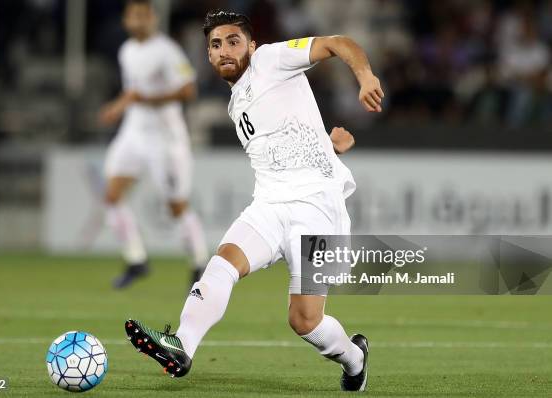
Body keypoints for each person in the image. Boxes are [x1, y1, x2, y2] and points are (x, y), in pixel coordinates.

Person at [125, 10, 383, 392]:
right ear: (208, 55)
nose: (224, 50)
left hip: (317, 209)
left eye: (233, 41)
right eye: (215, 45)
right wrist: (328, 147)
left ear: (252, 45)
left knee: (304, 321)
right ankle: (181, 346)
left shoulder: (271, 59)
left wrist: (365, 77)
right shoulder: (236, 101)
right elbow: (285, 145)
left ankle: (354, 357)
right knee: (222, 264)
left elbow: (337, 43)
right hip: (269, 204)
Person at [99, 0, 208, 289]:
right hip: (134, 132)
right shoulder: (127, 51)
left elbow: (188, 90)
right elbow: (133, 91)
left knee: (177, 206)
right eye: (134, 15)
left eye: (144, 15)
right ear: (125, 20)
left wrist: (144, 100)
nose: (139, 21)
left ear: (153, 19)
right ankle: (137, 260)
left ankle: (199, 262)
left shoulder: (166, 50)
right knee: (111, 196)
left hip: (165, 137)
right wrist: (119, 106)